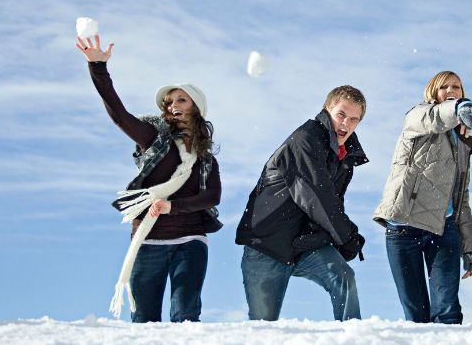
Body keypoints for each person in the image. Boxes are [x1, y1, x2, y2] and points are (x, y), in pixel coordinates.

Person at [76, 34, 221, 323]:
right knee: (143, 322)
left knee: (186, 315)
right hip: (148, 241)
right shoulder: (153, 140)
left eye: (181, 99)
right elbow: (119, 115)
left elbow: (211, 197)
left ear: (196, 108)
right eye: (169, 102)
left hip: (190, 241)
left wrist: (172, 207)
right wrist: (97, 67)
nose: (172, 105)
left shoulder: (205, 159)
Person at [235, 86, 369, 321]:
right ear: (327, 109)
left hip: (305, 244)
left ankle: (353, 335)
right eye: (341, 114)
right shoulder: (305, 139)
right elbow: (317, 198)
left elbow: (333, 204)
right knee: (263, 328)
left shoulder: (345, 156)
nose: (345, 124)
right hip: (267, 245)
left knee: (343, 276)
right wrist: (346, 236)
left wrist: (343, 237)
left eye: (353, 119)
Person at [373, 71, 472, 324]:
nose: (450, 90)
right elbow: (435, 117)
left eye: (456, 87)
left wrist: (469, 249)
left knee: (448, 310)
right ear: (432, 92)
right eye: (444, 86)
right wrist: (460, 107)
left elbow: (461, 199)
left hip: (442, 228)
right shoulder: (418, 117)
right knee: (416, 315)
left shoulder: (463, 143)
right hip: (403, 227)